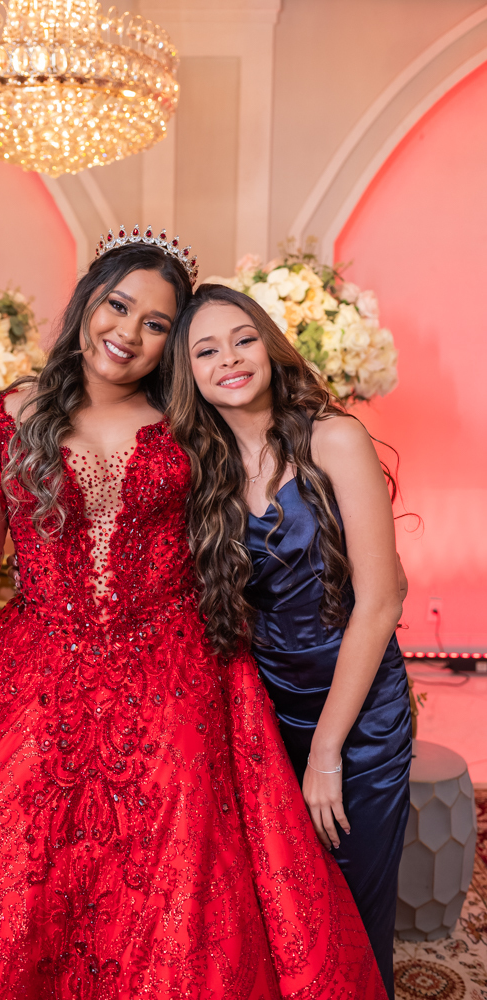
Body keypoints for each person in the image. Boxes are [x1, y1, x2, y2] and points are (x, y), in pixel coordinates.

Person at [0, 232, 387, 1000]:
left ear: (171, 343)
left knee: (180, 884)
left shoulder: (192, 423)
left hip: (176, 671)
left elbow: (266, 464)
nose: (128, 333)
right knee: (0, 879)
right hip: (36, 672)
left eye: (156, 324)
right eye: (118, 306)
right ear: (88, 300)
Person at [166, 282, 412, 1000]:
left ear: (270, 347)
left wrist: (329, 751)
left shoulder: (335, 438)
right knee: (281, 911)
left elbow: (382, 600)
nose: (229, 359)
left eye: (243, 339)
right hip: (265, 711)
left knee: (354, 906)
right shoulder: (197, 466)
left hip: (359, 714)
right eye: (206, 351)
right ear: (188, 374)